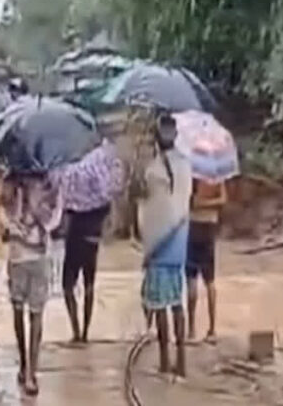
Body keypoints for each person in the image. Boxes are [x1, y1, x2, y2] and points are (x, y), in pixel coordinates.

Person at [135, 113, 193, 377]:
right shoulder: (186, 166)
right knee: (177, 302)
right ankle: (182, 361)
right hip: (180, 243)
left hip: (160, 247)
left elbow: (153, 213)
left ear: (157, 139)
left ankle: (164, 358)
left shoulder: (153, 170)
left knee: (159, 305)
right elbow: (179, 205)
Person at [54, 138, 125, 343]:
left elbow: (63, 211)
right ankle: (85, 331)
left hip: (75, 240)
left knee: (68, 286)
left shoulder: (72, 177)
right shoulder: (102, 191)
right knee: (89, 285)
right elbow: (110, 212)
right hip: (92, 240)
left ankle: (76, 331)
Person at [2, 172, 62, 396]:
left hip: (31, 258)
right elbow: (3, 223)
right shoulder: (14, 183)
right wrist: (20, 209)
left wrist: (33, 214)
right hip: (26, 258)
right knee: (25, 314)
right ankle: (27, 367)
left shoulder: (46, 183)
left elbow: (54, 219)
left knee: (31, 314)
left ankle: (29, 369)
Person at [187, 179, 227, 342]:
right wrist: (211, 203)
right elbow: (223, 199)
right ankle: (212, 330)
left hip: (194, 225)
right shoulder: (216, 177)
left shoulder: (192, 176)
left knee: (192, 278)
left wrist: (200, 203)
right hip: (209, 226)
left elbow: (189, 201)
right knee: (209, 280)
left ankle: (191, 330)